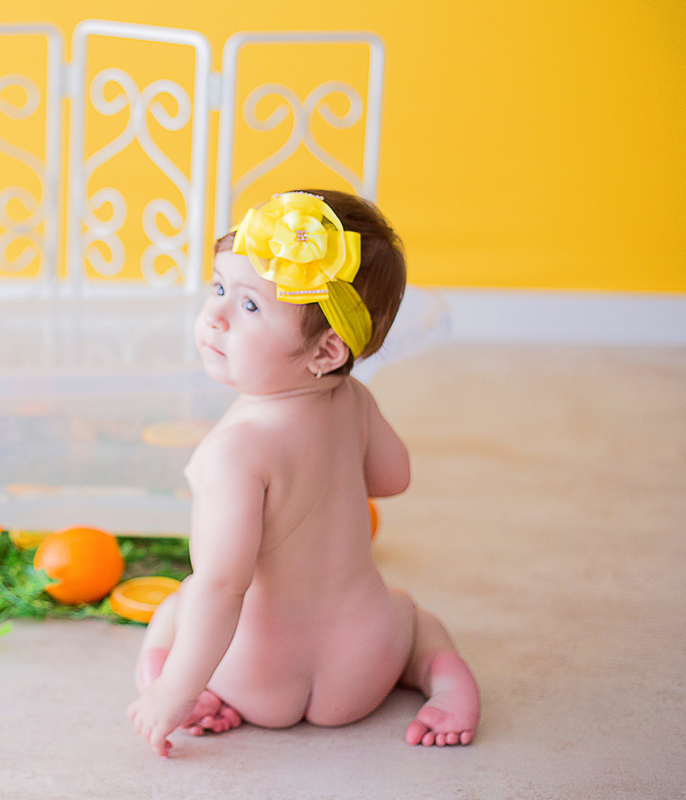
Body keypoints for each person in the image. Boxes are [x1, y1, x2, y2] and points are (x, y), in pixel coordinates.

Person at [127, 190, 480, 757]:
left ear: (326, 350)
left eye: (249, 306)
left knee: (183, 601)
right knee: (412, 615)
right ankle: (443, 677)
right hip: (366, 664)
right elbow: (394, 477)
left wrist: (174, 690)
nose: (215, 315)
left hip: (254, 673)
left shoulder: (233, 451)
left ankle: (175, 686)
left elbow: (222, 585)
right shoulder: (354, 399)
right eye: (219, 288)